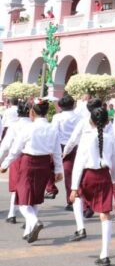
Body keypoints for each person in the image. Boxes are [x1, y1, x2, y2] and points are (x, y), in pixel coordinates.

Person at [0, 99, 62, 244]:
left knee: (22, 200)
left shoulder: (28, 128)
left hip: (28, 162)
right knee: (35, 198)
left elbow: (15, 150)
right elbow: (57, 151)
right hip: (45, 164)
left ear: (32, 112)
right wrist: (58, 169)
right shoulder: (52, 128)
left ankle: (34, 222)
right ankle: (29, 231)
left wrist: (5, 164)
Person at [71, 106, 115, 265]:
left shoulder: (86, 137)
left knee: (77, 197)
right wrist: (113, 179)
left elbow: (79, 163)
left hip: (88, 175)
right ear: (107, 122)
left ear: (90, 120)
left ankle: (80, 226)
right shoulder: (111, 138)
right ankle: (104, 254)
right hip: (104, 175)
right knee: (105, 215)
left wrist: (73, 186)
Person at [50, 95, 82, 208]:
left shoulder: (57, 117)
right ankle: (73, 200)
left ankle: (52, 189)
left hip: (61, 146)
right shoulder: (80, 117)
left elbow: (53, 133)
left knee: (52, 168)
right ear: (73, 104)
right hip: (76, 146)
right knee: (73, 173)